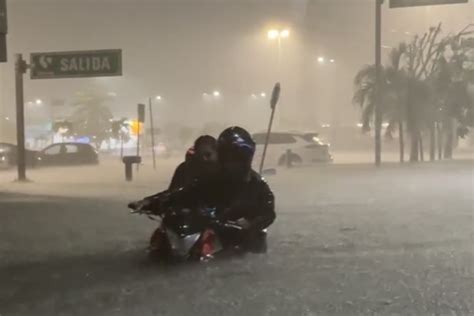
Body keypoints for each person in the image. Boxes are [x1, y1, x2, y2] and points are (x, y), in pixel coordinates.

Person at [140, 126, 276, 253]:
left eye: (236, 158)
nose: (232, 163)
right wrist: (152, 201)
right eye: (228, 158)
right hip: (210, 237)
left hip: (241, 244)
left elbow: (268, 213)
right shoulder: (211, 179)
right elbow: (184, 193)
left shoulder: (257, 184)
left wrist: (250, 224)